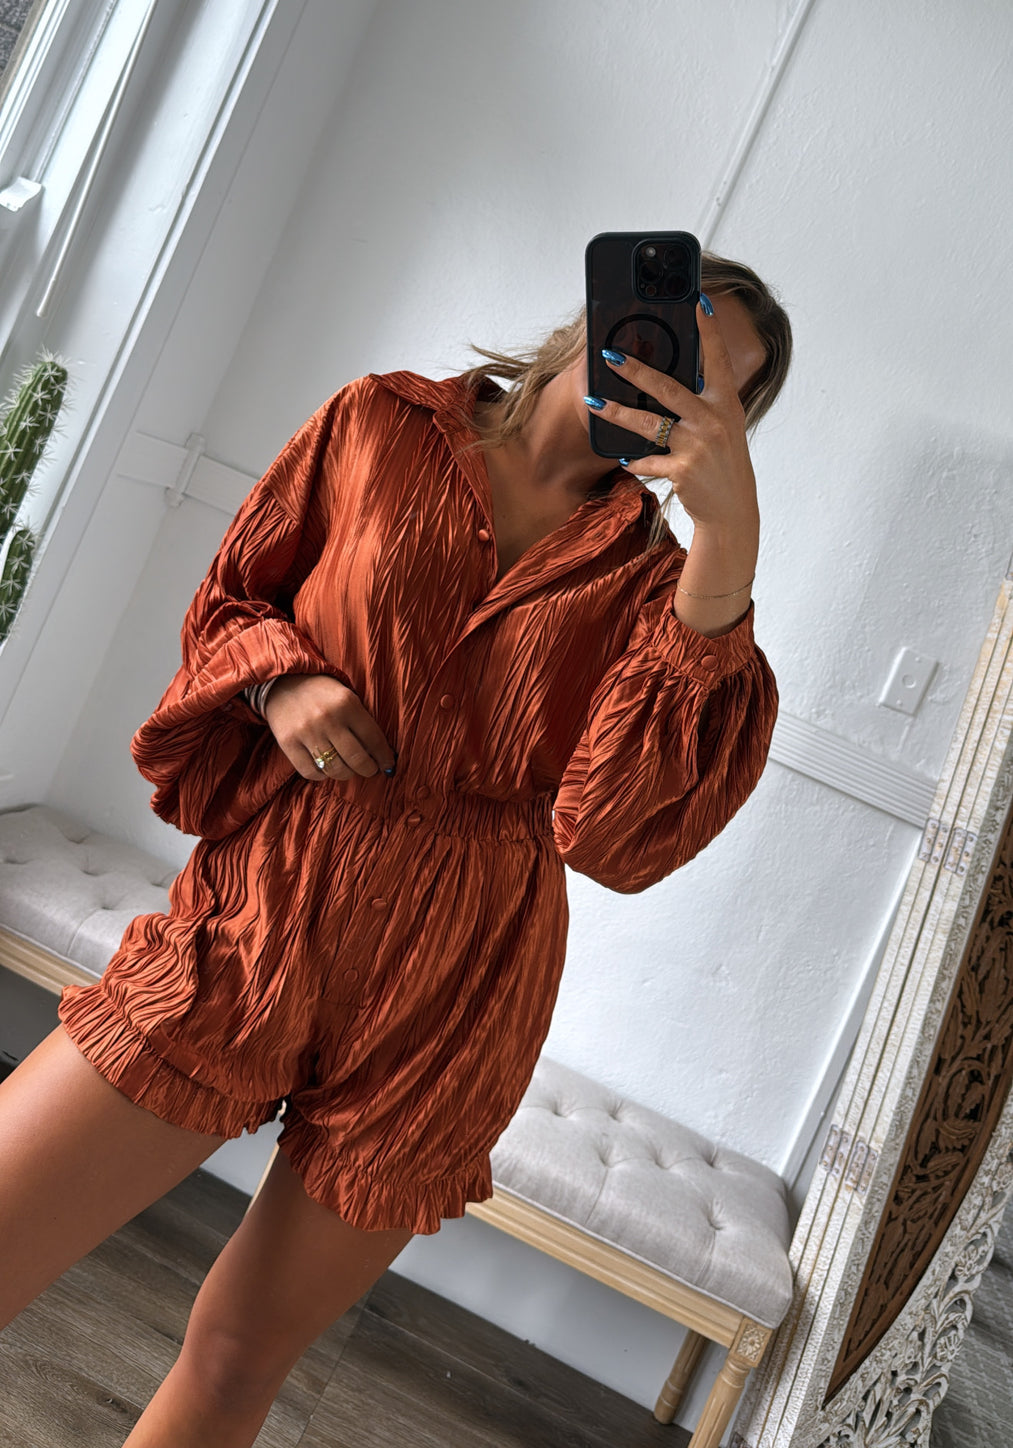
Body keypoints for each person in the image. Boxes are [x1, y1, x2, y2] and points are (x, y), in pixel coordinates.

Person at [0, 251, 790, 1447]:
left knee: (235, 1360)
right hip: (262, 913)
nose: (674, 390)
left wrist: (727, 552)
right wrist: (278, 684)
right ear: (606, 307)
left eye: (715, 393)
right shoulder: (382, 425)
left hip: (457, 991)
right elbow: (232, 599)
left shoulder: (663, 596)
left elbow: (615, 835)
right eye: (675, 342)